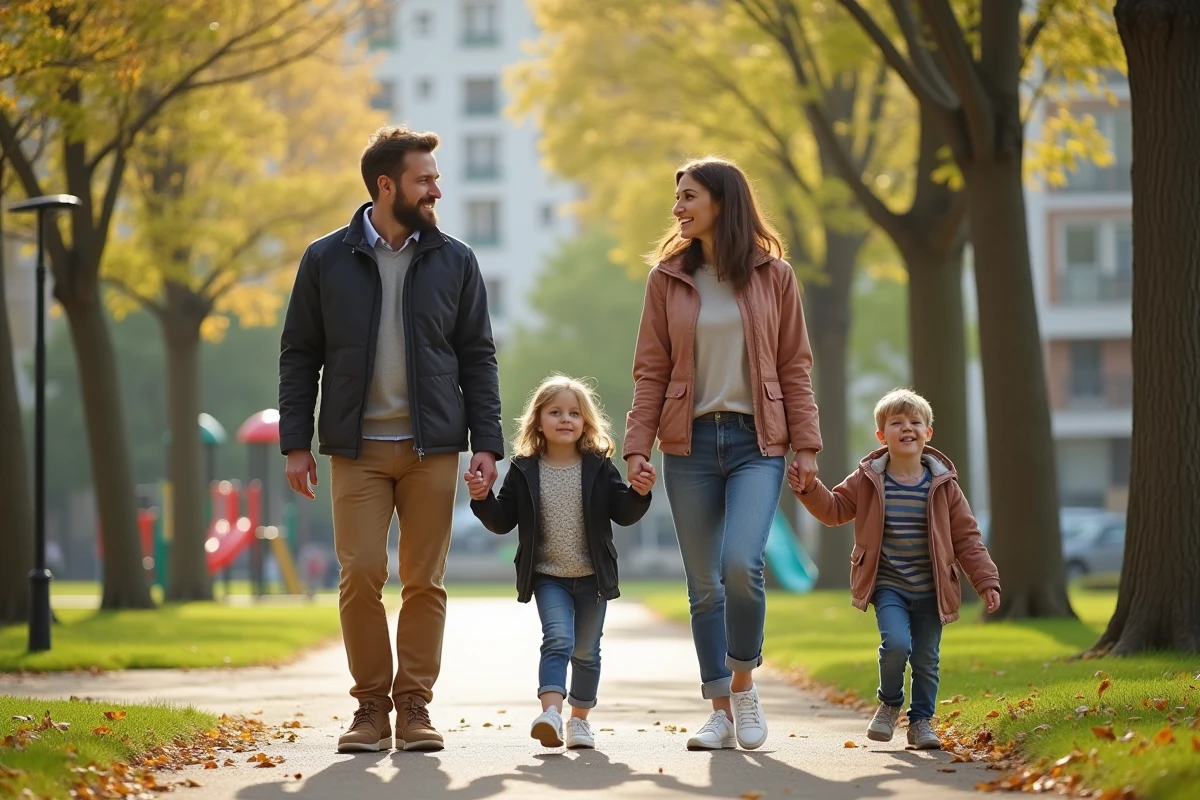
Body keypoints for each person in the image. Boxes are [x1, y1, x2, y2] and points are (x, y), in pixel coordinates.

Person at [278, 125, 503, 753]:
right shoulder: (325, 259)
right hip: (356, 449)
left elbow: (478, 355)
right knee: (360, 574)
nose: (436, 190)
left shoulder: (456, 259)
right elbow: (299, 353)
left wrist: (487, 443)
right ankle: (371, 708)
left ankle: (414, 706)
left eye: (435, 178)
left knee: (424, 580)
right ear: (386, 185)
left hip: (433, 448)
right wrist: (296, 441)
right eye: (424, 180)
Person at [624, 157, 822, 751]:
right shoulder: (667, 279)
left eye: (689, 196)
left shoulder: (774, 276)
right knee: (704, 584)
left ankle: (744, 686)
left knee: (741, 564)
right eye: (678, 197)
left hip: (756, 442)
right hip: (688, 444)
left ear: (722, 202)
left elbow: (795, 365)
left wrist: (806, 445)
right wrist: (636, 448)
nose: (678, 208)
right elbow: (650, 371)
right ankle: (718, 711)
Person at [790, 388, 1001, 750]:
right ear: (881, 435)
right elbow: (835, 509)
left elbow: (967, 538)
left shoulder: (944, 485)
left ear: (928, 433)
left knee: (926, 658)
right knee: (896, 645)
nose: (907, 428)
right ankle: (889, 703)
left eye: (915, 422)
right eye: (897, 423)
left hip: (932, 588)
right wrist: (809, 489)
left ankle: (921, 722)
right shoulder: (869, 478)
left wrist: (986, 581)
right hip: (889, 585)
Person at [467, 375, 654, 750]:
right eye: (555, 412)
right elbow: (502, 521)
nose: (565, 419)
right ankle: (551, 714)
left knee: (586, 652)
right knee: (558, 639)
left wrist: (639, 492)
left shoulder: (599, 466)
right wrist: (483, 497)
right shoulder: (524, 469)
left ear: (585, 422)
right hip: (548, 576)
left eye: (574, 413)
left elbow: (623, 513)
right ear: (538, 421)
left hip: (593, 578)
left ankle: (579, 721)